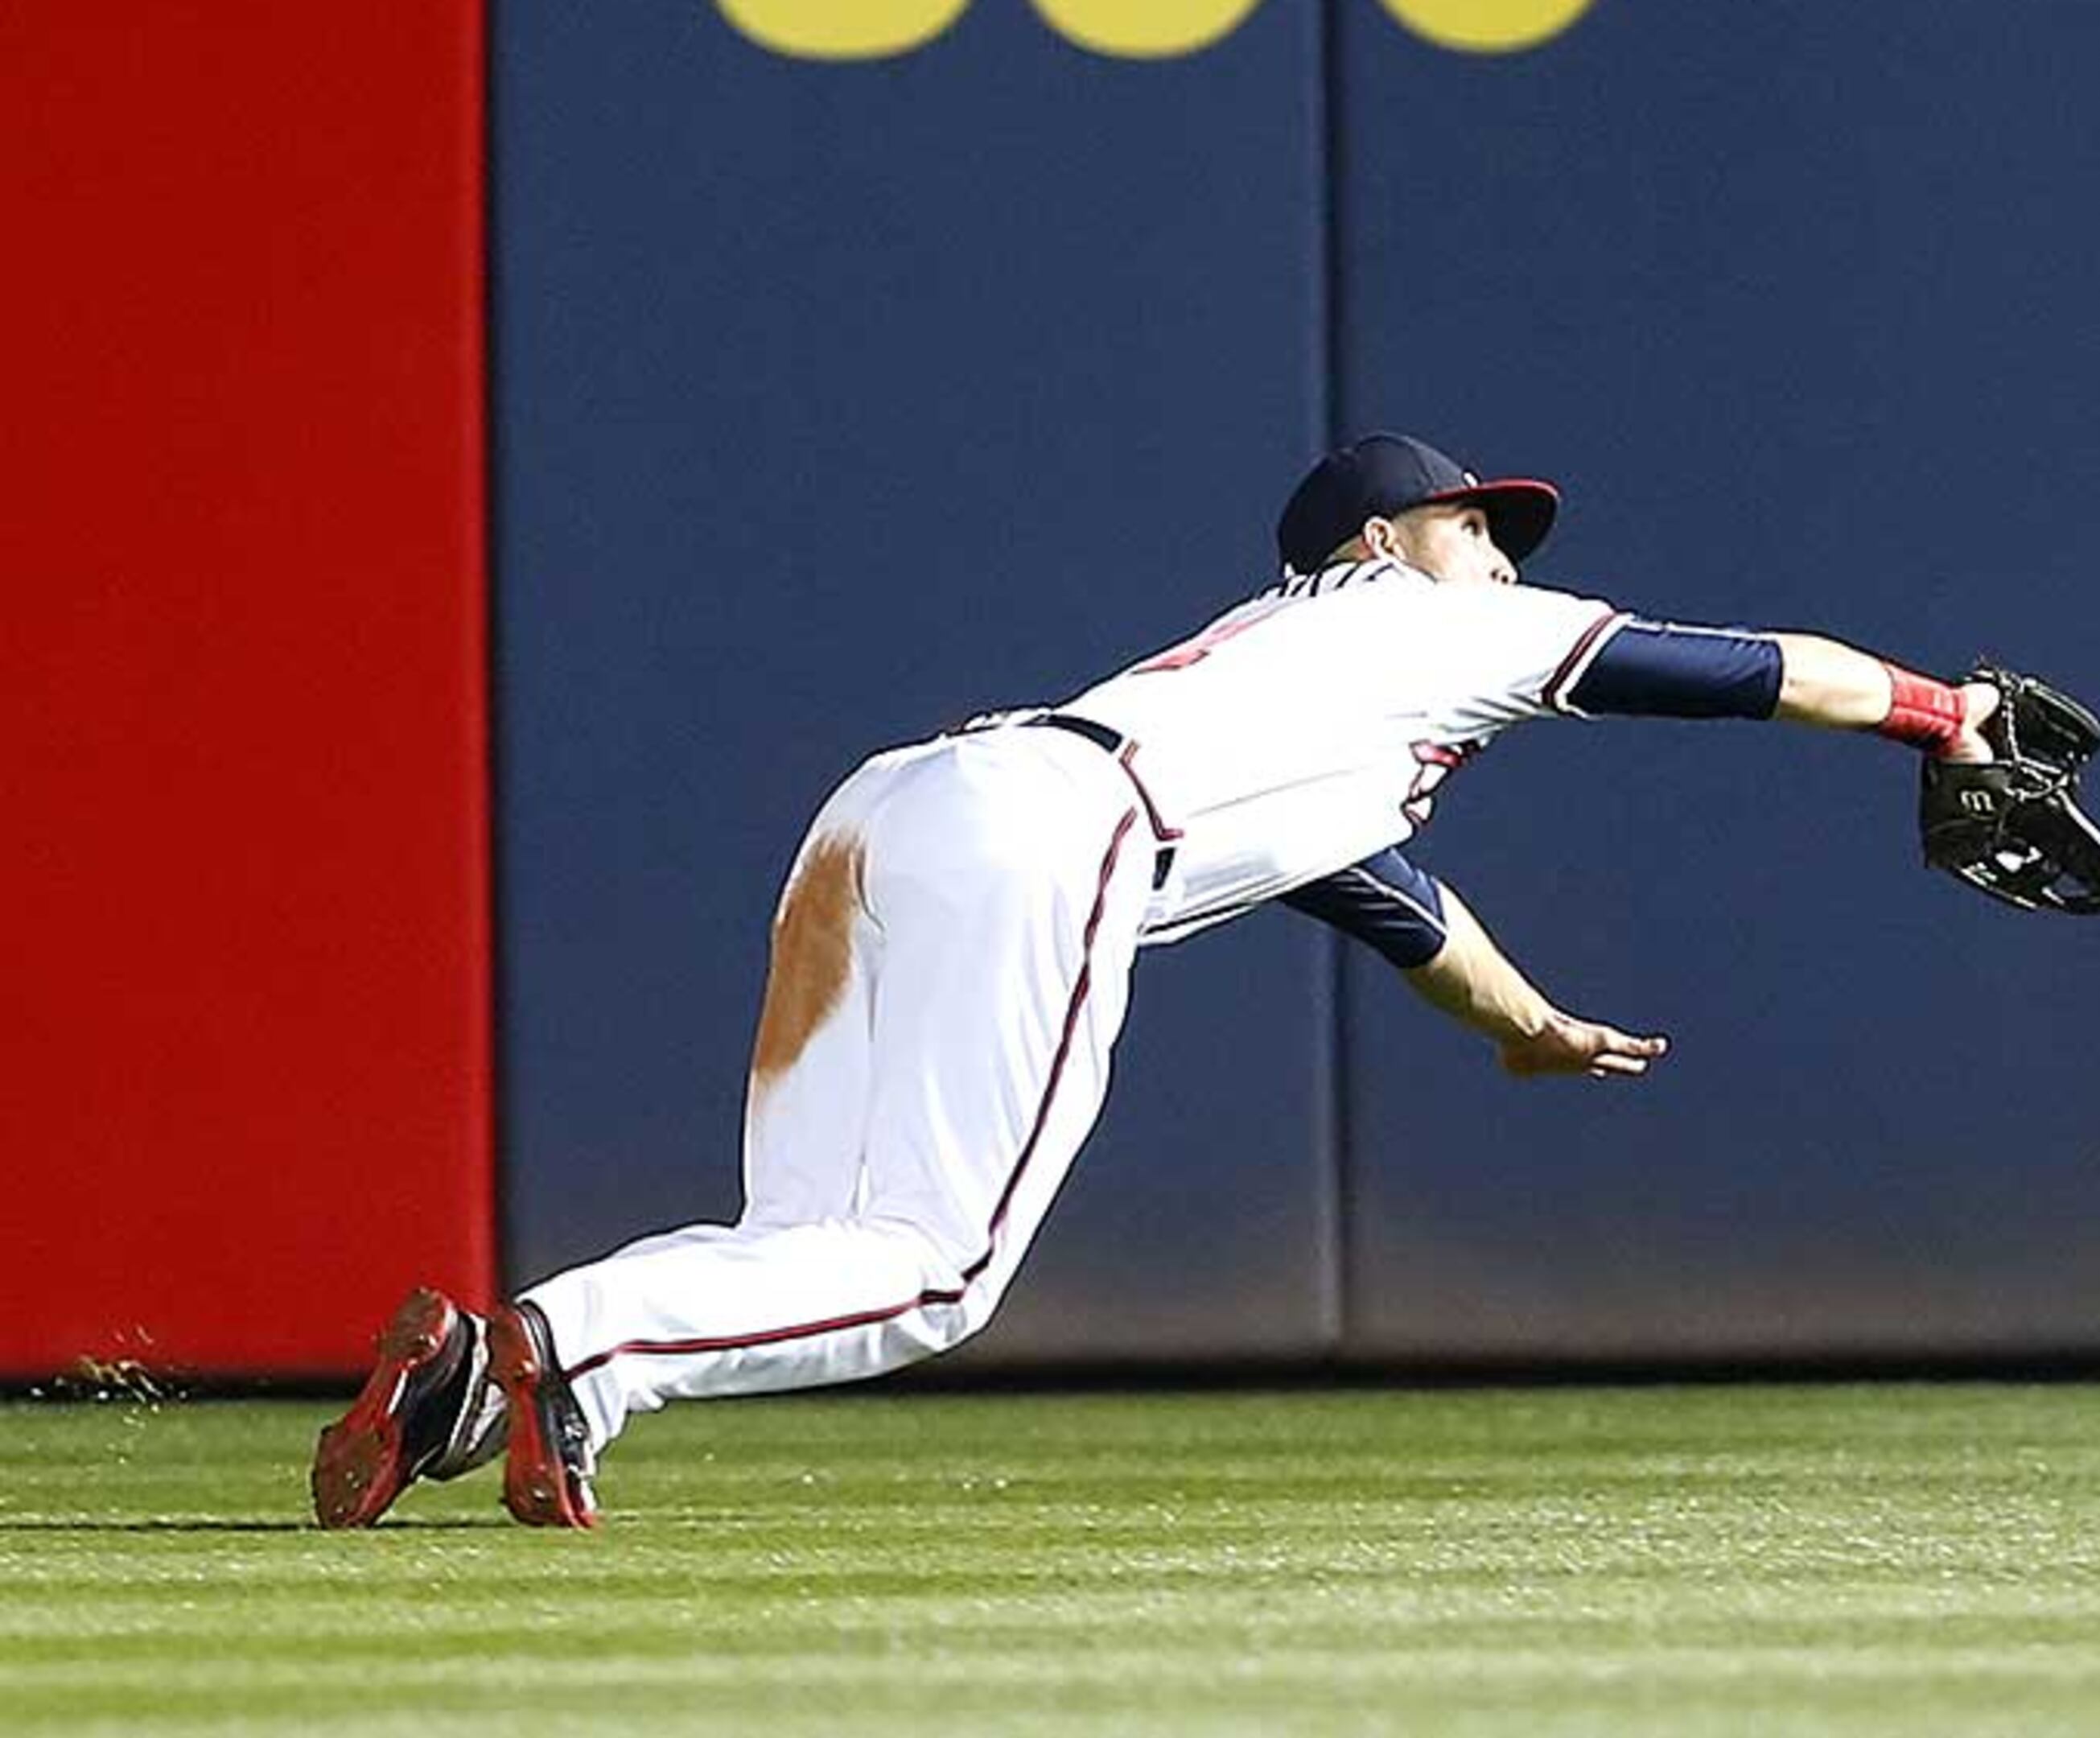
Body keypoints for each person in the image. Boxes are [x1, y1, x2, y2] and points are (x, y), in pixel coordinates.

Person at [311, 431, 2005, 1530]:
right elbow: (1728, 672)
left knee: (811, 1248)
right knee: (937, 1274)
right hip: (1052, 830)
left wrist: (1536, 1032)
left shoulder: (1305, 702)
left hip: (895, 809)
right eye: (1475, 520)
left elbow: (1402, 909)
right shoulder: (1416, 618)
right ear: (1382, 536)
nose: (1500, 546)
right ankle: (558, 1335)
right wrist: (1944, 712)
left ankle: (503, 1377)